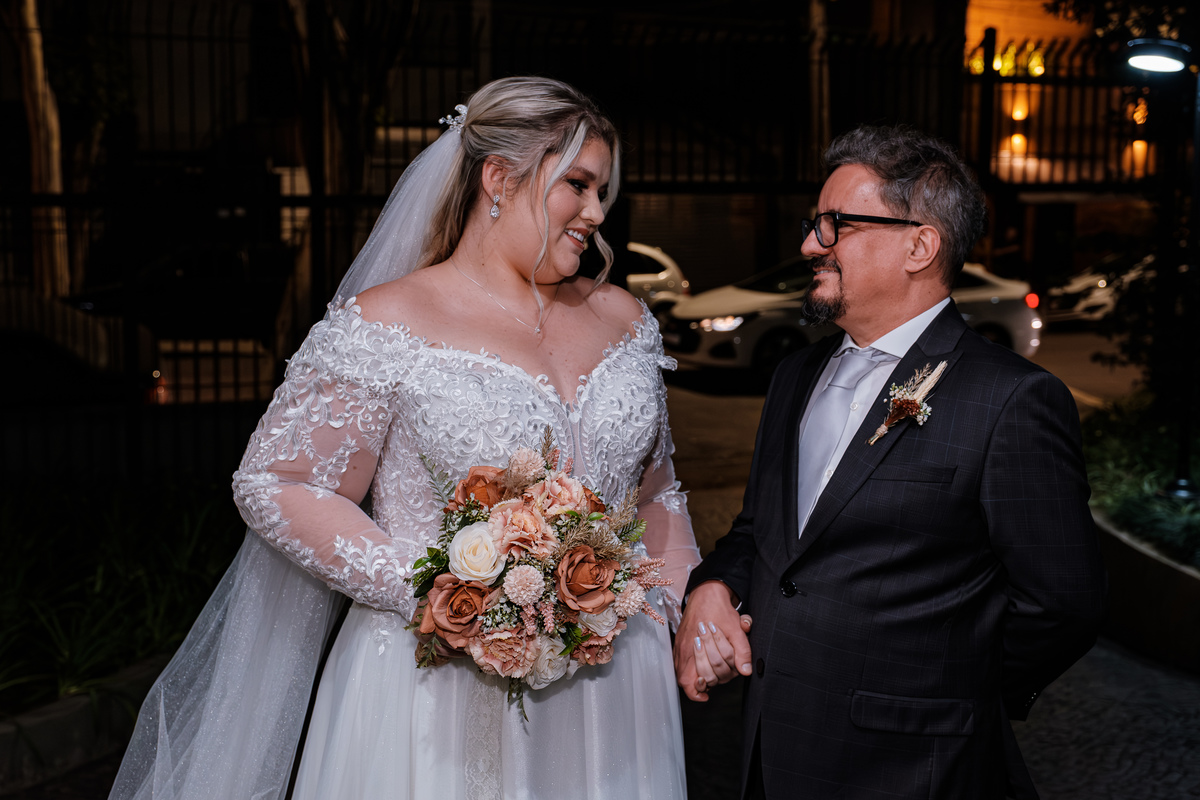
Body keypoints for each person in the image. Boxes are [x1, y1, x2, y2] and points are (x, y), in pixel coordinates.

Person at [109, 76, 701, 800]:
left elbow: (658, 488)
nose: (597, 211)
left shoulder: (626, 320)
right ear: (498, 177)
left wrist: (670, 607)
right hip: (436, 682)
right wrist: (442, 589)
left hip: (614, 693)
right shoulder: (389, 323)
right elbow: (277, 482)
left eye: (602, 189)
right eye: (577, 184)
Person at [674, 125, 1106, 800]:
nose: (809, 245)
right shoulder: (793, 374)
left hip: (914, 769)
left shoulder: (1011, 399)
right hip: (770, 750)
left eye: (834, 225)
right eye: (815, 224)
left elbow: (1063, 603)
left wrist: (949, 692)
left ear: (919, 245)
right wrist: (713, 585)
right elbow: (759, 533)